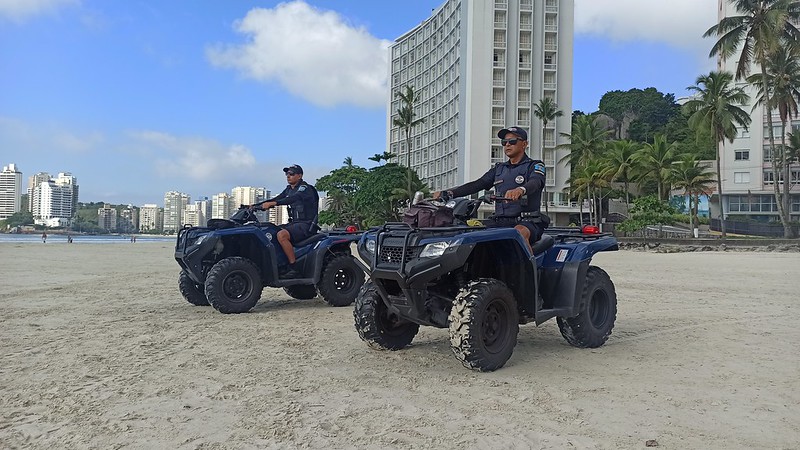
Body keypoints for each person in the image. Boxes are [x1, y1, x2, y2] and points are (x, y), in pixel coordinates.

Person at [433, 126, 547, 254]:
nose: (507, 145)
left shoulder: (535, 165)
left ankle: (527, 267)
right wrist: (450, 193)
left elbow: (535, 182)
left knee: (518, 233)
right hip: (499, 221)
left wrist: (521, 190)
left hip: (527, 222)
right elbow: (478, 184)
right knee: (469, 235)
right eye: (504, 142)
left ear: (524, 144)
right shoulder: (499, 169)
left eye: (512, 141)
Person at [253, 164, 319, 278]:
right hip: (294, 224)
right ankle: (279, 265)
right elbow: (276, 199)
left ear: (299, 176)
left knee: (282, 235)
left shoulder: (305, 188)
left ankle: (294, 268)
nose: (288, 176)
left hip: (306, 225)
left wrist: (274, 204)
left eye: (291, 174)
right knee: (271, 232)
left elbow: (294, 198)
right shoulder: (289, 189)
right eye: (287, 174)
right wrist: (253, 206)